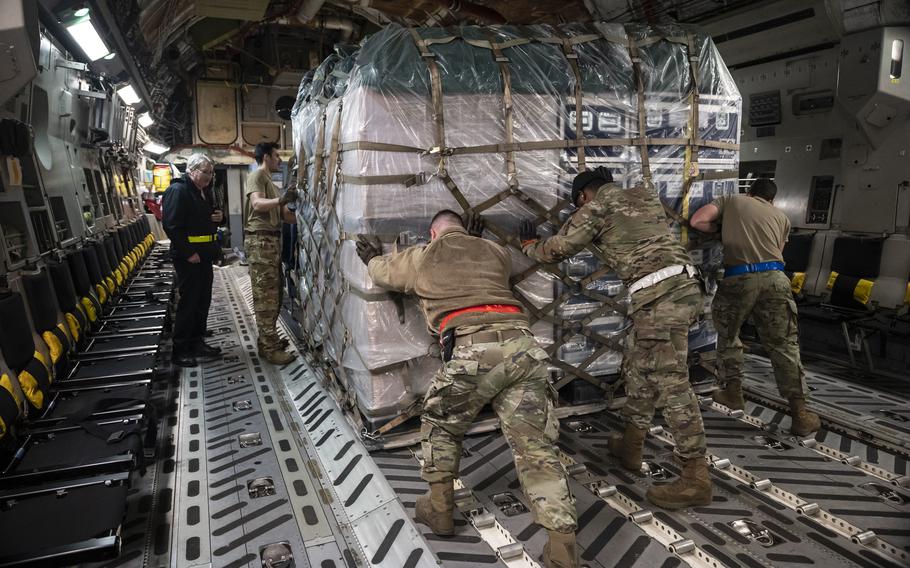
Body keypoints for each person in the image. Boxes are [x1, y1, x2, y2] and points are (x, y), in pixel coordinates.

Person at [357, 211, 579, 568]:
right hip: (524, 349)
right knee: (535, 447)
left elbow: (383, 273)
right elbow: (483, 262)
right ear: (465, 229)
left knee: (442, 424)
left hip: (473, 350)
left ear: (432, 233)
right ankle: (563, 547)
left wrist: (371, 258)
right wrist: (477, 240)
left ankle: (441, 509)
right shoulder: (496, 252)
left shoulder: (423, 256)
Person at [520, 167, 710, 510]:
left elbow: (559, 249)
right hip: (683, 286)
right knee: (639, 365)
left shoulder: (595, 209)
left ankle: (696, 476)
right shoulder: (645, 196)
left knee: (672, 384)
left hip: (659, 296)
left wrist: (530, 245)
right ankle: (631, 444)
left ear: (582, 196)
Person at [690, 178, 821, 436]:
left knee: (729, 336)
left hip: (739, 278)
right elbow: (777, 251)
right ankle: (800, 414)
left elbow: (697, 221)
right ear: (771, 200)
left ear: (749, 192)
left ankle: (733, 393)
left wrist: (721, 232)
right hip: (776, 279)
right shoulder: (782, 218)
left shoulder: (733, 201)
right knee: (784, 345)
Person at [162, 154, 223, 367]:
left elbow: (202, 220)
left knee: (202, 300)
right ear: (192, 170)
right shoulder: (178, 191)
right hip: (189, 258)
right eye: (205, 172)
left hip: (204, 256)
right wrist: (189, 253)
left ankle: (197, 342)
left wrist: (218, 217)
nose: (209, 176)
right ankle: (180, 350)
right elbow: (171, 226)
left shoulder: (202, 192)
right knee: (189, 303)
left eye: (211, 172)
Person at [244, 142, 298, 365]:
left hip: (271, 242)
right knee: (265, 297)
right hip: (261, 242)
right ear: (266, 157)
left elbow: (286, 216)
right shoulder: (257, 176)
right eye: (276, 156)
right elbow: (257, 204)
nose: (279, 160)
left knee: (274, 295)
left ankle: (269, 340)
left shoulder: (273, 185)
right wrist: (282, 199)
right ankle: (269, 348)